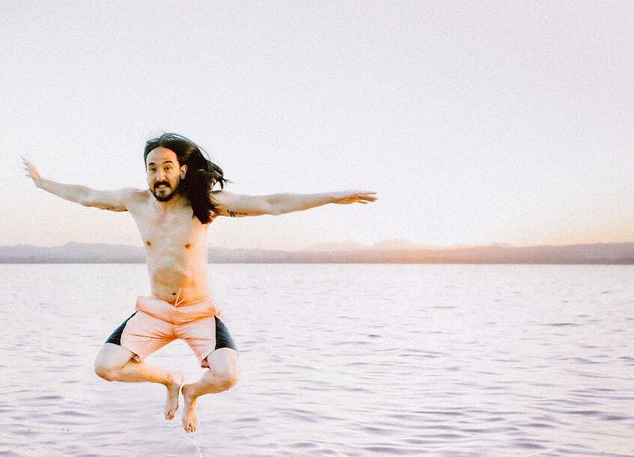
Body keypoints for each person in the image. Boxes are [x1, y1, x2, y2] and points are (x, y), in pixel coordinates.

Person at [23, 133, 374, 432]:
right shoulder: (135, 202)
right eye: (152, 168)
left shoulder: (204, 204)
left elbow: (270, 204)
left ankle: (191, 393)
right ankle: (169, 380)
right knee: (106, 368)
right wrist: (42, 183)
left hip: (197, 312)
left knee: (227, 376)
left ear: (182, 170)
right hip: (156, 311)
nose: (159, 176)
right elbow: (85, 196)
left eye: (167, 168)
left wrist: (332, 197)